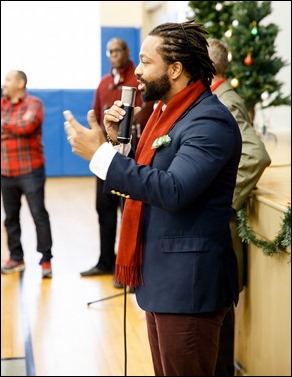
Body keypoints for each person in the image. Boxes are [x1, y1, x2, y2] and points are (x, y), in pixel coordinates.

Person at [64, 20, 242, 376]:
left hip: (187, 287)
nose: (137, 74)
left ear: (175, 69)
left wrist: (101, 155)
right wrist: (117, 144)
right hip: (161, 279)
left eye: (146, 63)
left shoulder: (208, 122)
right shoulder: (167, 115)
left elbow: (173, 190)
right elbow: (148, 180)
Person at [207, 38, 272, 376]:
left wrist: (225, 201)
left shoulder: (225, 102)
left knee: (219, 311)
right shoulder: (217, 98)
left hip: (221, 226)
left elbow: (256, 154)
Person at [80, 37, 154, 280]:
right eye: (109, 51)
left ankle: (127, 267)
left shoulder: (140, 80)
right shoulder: (103, 83)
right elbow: (98, 117)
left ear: (127, 52)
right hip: (107, 154)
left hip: (131, 156)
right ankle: (105, 262)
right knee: (104, 210)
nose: (112, 54)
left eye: (117, 50)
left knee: (128, 210)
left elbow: (146, 116)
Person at [1, 70, 53, 278]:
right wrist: (13, 126)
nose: (4, 83)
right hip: (6, 172)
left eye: (8, 79)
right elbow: (19, 125)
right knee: (10, 218)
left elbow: (27, 126)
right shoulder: (2, 103)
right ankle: (16, 258)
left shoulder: (34, 103)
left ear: (20, 83)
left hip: (30, 171)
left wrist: (5, 125)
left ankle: (46, 260)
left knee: (38, 215)